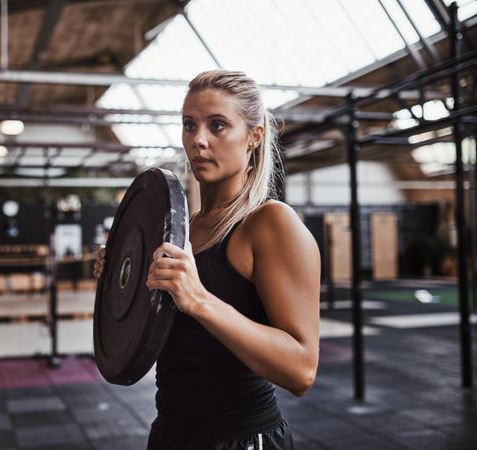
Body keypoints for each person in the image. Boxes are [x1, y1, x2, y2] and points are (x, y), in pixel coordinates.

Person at [94, 70, 320, 450]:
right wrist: (122, 277)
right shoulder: (182, 230)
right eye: (189, 125)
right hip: (171, 434)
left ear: (254, 136)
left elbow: (302, 370)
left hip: (243, 439)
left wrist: (198, 299)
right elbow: (161, 330)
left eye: (218, 126)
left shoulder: (271, 223)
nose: (198, 140)